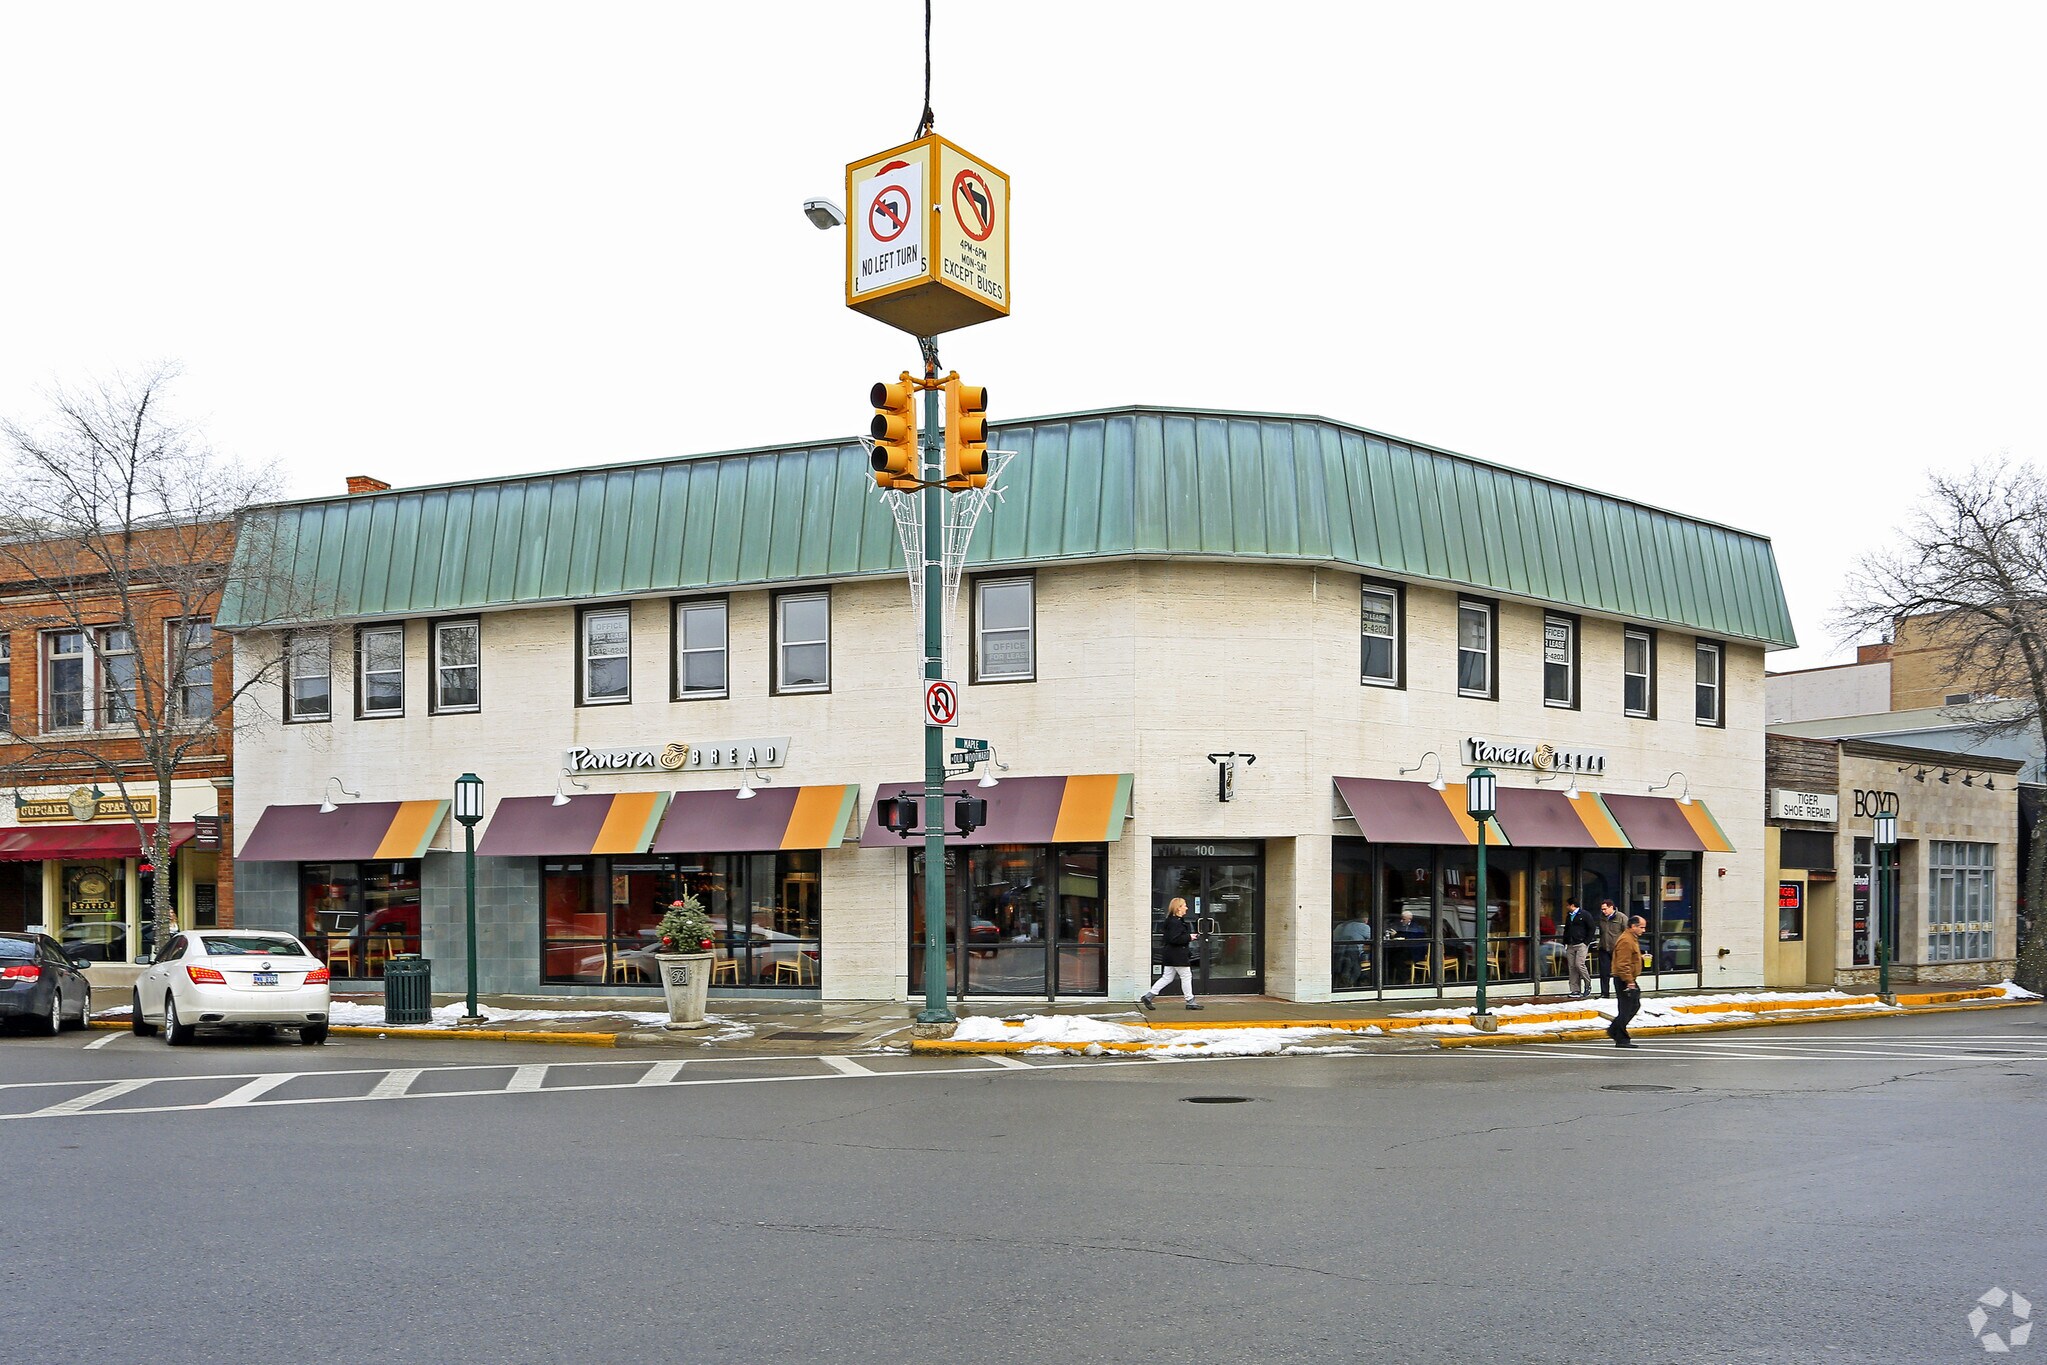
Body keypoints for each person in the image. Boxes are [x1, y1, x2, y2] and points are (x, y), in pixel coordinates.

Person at [1140, 897, 1202, 1011]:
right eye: (1184, 905)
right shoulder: (1176, 923)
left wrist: (1187, 937)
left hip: (1170, 954)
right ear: (1178, 908)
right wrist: (1189, 937)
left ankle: (1149, 996)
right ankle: (1190, 1001)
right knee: (1186, 976)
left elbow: (1170, 938)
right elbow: (1174, 939)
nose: (1186, 908)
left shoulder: (1171, 921)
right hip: (1178, 955)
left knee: (1167, 977)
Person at [1608, 914, 1646, 1047]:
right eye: (1641, 927)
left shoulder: (1632, 938)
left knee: (1633, 1005)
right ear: (1633, 926)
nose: (1643, 930)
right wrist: (1629, 981)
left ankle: (1614, 1030)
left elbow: (1630, 957)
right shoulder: (1626, 940)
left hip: (1628, 978)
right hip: (1624, 978)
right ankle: (1620, 1037)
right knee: (1627, 1007)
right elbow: (1622, 963)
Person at [1561, 897, 1595, 999]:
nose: (1566, 907)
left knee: (1579, 964)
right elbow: (1567, 929)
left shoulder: (1584, 914)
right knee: (1572, 967)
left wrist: (1586, 942)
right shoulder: (1569, 916)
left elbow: (1592, 928)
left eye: (1567, 905)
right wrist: (1565, 942)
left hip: (1581, 944)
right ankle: (1575, 990)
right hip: (1570, 944)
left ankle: (1587, 984)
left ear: (1572, 905)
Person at [1595, 898, 1628, 999]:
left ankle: (1622, 992)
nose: (1603, 911)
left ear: (1611, 907)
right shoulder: (1601, 918)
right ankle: (1604, 993)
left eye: (1605, 909)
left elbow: (1627, 933)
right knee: (1604, 972)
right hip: (1604, 948)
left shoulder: (1621, 917)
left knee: (1618, 972)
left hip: (1617, 949)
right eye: (1602, 909)